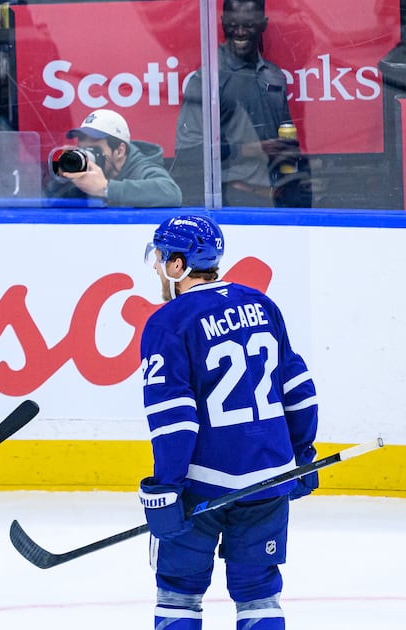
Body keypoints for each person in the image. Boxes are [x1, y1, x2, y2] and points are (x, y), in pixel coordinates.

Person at [139, 214, 319, 629]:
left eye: (161, 257)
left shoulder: (168, 322)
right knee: (259, 593)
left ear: (178, 266)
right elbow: (298, 386)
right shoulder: (262, 304)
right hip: (269, 478)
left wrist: (166, 484)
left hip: (200, 486)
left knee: (179, 593)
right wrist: (302, 453)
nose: (155, 266)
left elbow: (174, 417)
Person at [172, 0, 310, 208]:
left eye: (248, 25)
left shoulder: (274, 76)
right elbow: (187, 152)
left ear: (263, 24)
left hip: (278, 199)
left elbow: (287, 143)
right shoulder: (208, 79)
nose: (240, 32)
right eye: (232, 24)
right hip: (232, 201)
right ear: (221, 23)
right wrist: (251, 149)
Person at [46, 108, 182, 208]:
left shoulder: (140, 168)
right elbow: (49, 202)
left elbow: (171, 192)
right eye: (82, 148)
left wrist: (106, 189)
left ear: (120, 151)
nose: (86, 155)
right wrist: (64, 175)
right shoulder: (83, 170)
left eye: (94, 150)